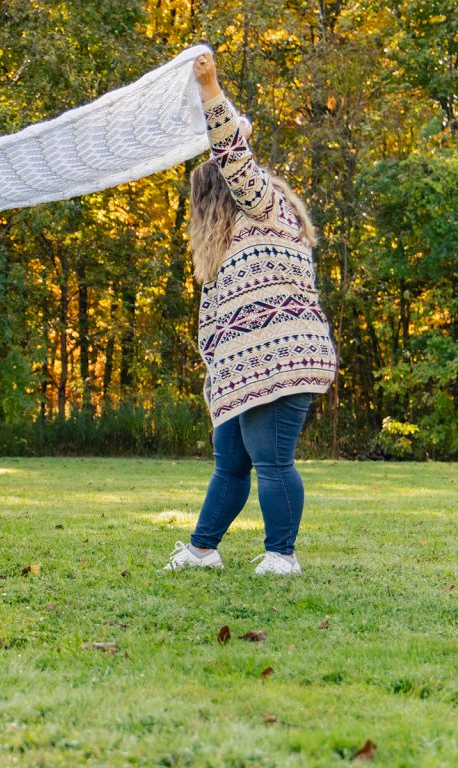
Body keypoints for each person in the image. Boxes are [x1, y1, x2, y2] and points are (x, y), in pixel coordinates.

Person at [164, 52, 338, 575]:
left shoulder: (265, 210)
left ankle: (282, 556)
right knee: (231, 459)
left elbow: (235, 157)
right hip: (242, 369)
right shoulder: (227, 249)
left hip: (282, 358)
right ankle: (202, 550)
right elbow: (213, 326)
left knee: (271, 458)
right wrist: (215, 377)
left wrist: (211, 89)